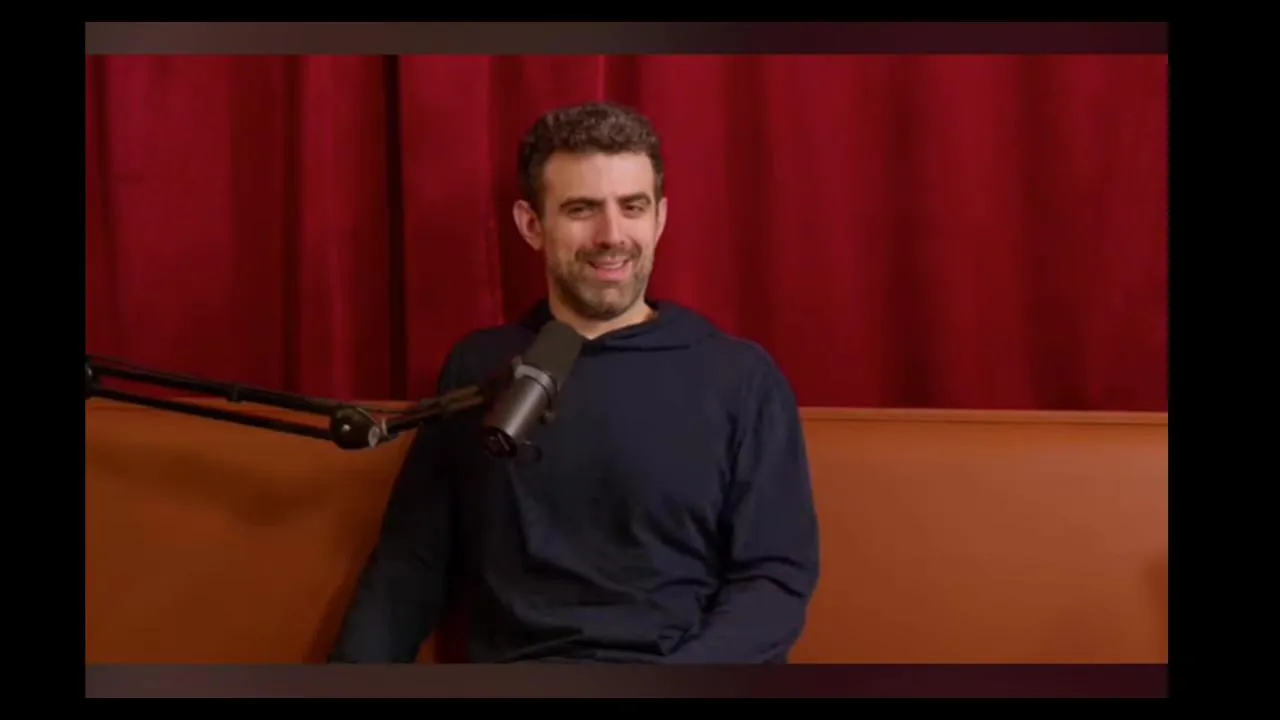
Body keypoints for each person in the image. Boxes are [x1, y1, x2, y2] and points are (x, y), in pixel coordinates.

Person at [330, 101, 820, 664]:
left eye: (632, 207)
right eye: (582, 209)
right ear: (531, 225)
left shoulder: (739, 378)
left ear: (660, 218)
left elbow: (773, 581)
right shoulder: (482, 370)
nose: (612, 235)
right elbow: (409, 567)